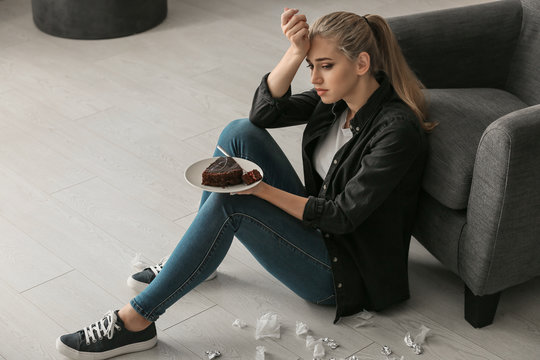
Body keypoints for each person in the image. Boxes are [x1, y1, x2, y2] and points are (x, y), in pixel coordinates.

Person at [56, 7, 433, 360]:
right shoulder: (338, 99)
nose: (314, 78)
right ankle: (196, 261)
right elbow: (263, 114)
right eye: (310, 66)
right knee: (238, 133)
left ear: (362, 63)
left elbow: (341, 216)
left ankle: (136, 321)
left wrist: (259, 189)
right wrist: (293, 52)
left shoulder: (396, 130)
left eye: (325, 66)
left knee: (233, 201)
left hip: (344, 270)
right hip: (320, 229)